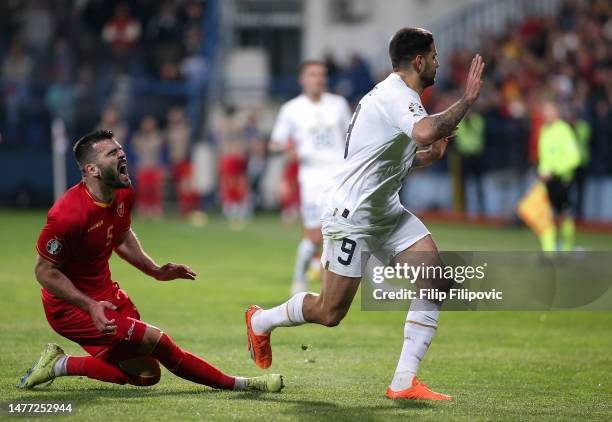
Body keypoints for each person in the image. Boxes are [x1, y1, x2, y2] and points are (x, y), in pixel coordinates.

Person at [246, 27, 484, 401]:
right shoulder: (396, 95)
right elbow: (423, 132)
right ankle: (261, 320)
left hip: (385, 211)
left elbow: (384, 162)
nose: (438, 62)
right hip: (352, 215)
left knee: (435, 279)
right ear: (419, 61)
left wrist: (429, 157)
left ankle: (404, 382)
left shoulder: (397, 97)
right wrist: (466, 100)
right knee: (329, 312)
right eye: (435, 56)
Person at [18, 130, 283, 393]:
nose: (122, 154)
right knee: (160, 343)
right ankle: (243, 384)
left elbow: (120, 236)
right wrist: (89, 306)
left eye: (120, 149)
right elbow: (44, 271)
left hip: (105, 292)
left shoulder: (122, 191)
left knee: (147, 374)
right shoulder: (68, 214)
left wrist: (155, 270)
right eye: (112, 153)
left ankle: (59, 364)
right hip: (69, 307)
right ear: (92, 169)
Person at [269, 60, 352, 294]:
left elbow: (351, 137)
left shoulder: (338, 104)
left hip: (339, 174)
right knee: (315, 234)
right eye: (313, 74)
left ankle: (333, 284)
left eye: (322, 74)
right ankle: (299, 279)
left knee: (345, 230)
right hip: (312, 175)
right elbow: (274, 144)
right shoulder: (291, 109)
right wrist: (286, 150)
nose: (319, 78)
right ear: (302, 79)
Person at [537, 100, 581, 252]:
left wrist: (554, 170)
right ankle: (549, 252)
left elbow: (574, 158)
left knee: (564, 215)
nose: (546, 113)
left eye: (549, 110)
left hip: (562, 181)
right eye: (544, 110)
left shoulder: (564, 130)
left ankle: (567, 249)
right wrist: (541, 171)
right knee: (544, 216)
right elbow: (545, 157)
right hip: (546, 181)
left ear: (557, 112)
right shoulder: (544, 130)